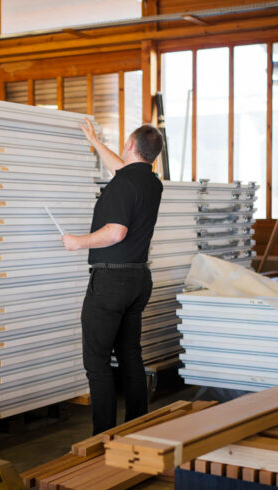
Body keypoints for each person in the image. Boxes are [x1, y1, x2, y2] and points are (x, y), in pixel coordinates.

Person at [63, 122, 164, 435]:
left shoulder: (123, 185)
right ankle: (136, 427)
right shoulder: (151, 183)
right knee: (130, 356)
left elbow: (116, 232)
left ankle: (102, 437)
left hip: (110, 283)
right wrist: (94, 140)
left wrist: (78, 242)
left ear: (130, 145)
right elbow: (122, 170)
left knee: (97, 362)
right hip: (137, 279)